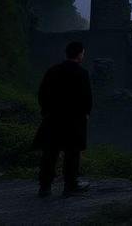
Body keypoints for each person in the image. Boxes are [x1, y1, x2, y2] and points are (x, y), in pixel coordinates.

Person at [34, 40, 93, 197]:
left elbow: (42, 94)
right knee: (72, 153)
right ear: (80, 54)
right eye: (83, 53)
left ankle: (44, 187)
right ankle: (70, 185)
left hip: (53, 118)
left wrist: (46, 111)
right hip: (74, 121)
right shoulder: (82, 73)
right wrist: (85, 114)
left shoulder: (53, 71)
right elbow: (87, 98)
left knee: (50, 153)